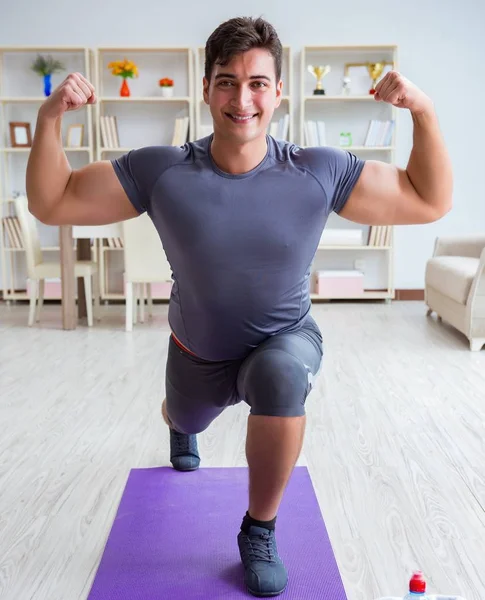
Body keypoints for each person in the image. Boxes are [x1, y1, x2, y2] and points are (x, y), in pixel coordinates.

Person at [26, 16, 452, 598]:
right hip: (196, 352)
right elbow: (54, 201)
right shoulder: (163, 170)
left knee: (280, 376)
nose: (242, 98)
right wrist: (50, 119)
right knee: (185, 415)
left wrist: (423, 113)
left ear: (279, 92)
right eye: (227, 81)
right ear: (206, 89)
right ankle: (180, 424)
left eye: (257, 83)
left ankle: (259, 529)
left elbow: (429, 200)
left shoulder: (316, 170)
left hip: (286, 337)